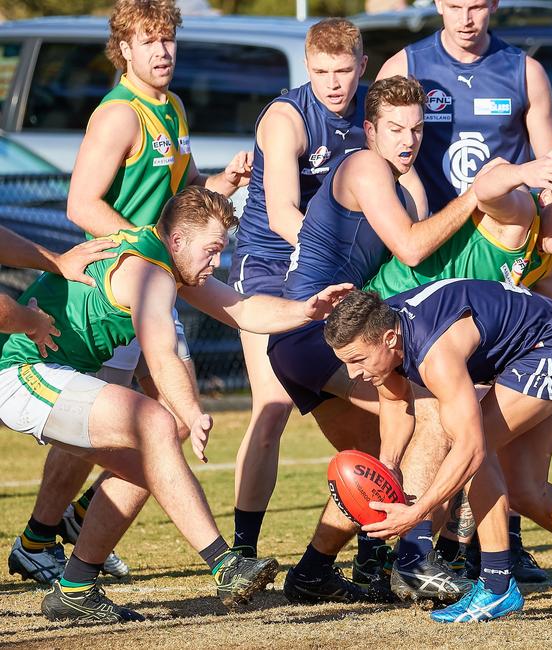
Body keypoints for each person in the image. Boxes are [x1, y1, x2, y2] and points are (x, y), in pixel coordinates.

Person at [0, 185, 352, 623]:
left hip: (52, 373)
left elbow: (242, 309)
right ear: (179, 240)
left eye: (222, 251)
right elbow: (161, 352)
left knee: (153, 465)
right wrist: (190, 412)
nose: (217, 262)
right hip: (20, 372)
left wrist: (306, 310)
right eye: (211, 250)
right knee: (156, 425)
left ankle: (74, 589)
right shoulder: (150, 272)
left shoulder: (163, 259)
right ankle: (225, 565)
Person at [8, 0, 253, 585]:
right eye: (149, 41)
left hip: (153, 284)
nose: (162, 51)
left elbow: (181, 191)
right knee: (127, 421)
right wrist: (146, 251)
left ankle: (57, 535)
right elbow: (81, 205)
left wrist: (217, 186)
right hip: (123, 289)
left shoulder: (171, 106)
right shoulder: (120, 114)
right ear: (124, 49)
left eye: (169, 39)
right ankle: (55, 539)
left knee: (134, 424)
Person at [375, 0, 552, 581]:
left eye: (476, 4)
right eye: (452, 4)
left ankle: (491, 547)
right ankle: (416, 553)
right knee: (438, 412)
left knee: (502, 395)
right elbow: (379, 148)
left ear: (493, 4)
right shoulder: (406, 61)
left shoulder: (524, 71)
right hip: (434, 250)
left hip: (501, 247)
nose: (465, 17)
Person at [267, 75, 478, 603]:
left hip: (312, 341)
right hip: (317, 332)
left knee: (373, 463)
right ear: (369, 131)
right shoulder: (364, 166)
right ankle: (413, 561)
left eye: (417, 128)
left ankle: (314, 571)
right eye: (395, 129)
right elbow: (410, 249)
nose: (408, 139)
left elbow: (418, 269)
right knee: (429, 413)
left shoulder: (405, 183)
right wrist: (477, 194)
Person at [324, 285, 552, 621]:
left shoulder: (435, 352)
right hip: (541, 346)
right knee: (525, 491)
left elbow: (471, 449)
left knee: (475, 453)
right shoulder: (383, 327)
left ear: (389, 339)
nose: (353, 374)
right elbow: (394, 400)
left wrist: (417, 511)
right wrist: (389, 465)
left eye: (357, 360)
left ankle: (496, 587)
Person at [226, 17, 391, 576]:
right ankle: (241, 554)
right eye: (321, 71)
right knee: (271, 407)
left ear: (361, 66)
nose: (333, 83)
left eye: (343, 71)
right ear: (307, 68)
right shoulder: (286, 117)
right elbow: (280, 213)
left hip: (333, 272)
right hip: (271, 266)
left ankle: (369, 551)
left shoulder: (371, 113)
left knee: (375, 415)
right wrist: (341, 259)